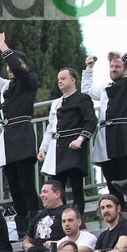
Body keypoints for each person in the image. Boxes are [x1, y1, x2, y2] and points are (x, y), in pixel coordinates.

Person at [0, 30, 41, 232]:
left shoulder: (29, 81)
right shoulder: (6, 86)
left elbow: (17, 67)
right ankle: (22, 223)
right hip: (7, 138)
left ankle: (34, 220)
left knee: (26, 184)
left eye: (12, 65)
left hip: (22, 134)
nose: (9, 69)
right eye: (6, 66)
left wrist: (3, 45)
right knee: (13, 186)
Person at [82, 52, 127, 208]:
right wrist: (89, 68)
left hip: (124, 138)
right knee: (111, 183)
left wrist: (123, 56)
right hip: (105, 140)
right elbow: (86, 91)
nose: (114, 69)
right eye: (112, 66)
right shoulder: (104, 87)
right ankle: (118, 219)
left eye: (118, 66)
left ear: (126, 70)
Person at [38, 67, 97, 211]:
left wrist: (80, 139)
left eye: (63, 78)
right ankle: (60, 220)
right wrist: (43, 148)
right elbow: (51, 127)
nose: (60, 81)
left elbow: (91, 121)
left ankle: (79, 221)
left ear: (73, 80)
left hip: (73, 146)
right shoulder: (56, 103)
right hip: (57, 149)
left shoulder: (82, 98)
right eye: (58, 79)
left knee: (77, 187)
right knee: (57, 188)